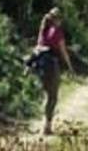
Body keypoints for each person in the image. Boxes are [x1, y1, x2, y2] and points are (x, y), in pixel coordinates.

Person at [33, 7, 73, 135]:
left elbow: (38, 47)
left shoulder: (43, 30)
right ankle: (47, 125)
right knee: (53, 97)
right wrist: (69, 65)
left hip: (41, 65)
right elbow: (63, 50)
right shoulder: (57, 31)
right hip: (52, 65)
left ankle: (44, 123)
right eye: (60, 18)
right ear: (57, 19)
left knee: (46, 95)